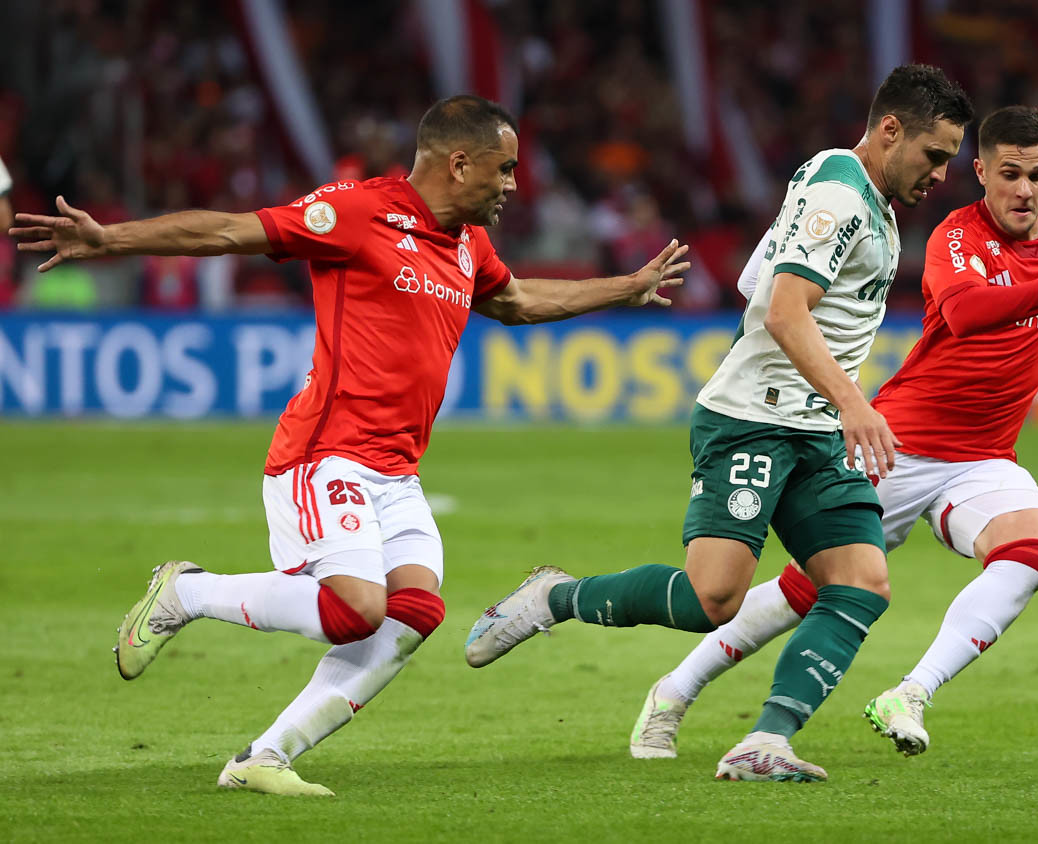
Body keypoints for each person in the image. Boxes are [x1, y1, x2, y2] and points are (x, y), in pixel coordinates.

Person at [8, 95, 688, 796]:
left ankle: (263, 759)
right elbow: (230, 232)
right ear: (459, 163)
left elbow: (516, 303)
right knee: (354, 611)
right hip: (325, 451)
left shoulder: (467, 243)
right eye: (504, 168)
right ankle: (187, 593)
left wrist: (625, 288)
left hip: (397, 471)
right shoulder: (358, 213)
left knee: (416, 612)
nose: (514, 184)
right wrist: (112, 240)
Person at [626, 106, 1038, 762]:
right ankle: (674, 691)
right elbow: (967, 314)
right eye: (1010, 174)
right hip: (897, 445)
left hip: (983, 459)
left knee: (1032, 551)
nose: (1025, 189)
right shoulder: (956, 237)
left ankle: (911, 692)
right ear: (981, 173)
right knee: (809, 589)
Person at [462, 65, 973, 783]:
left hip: (816, 429)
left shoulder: (860, 196)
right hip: (752, 421)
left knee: (861, 582)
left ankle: (765, 740)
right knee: (713, 601)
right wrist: (857, 402)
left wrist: (836, 403)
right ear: (890, 129)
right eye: (936, 155)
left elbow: (754, 279)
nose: (943, 174)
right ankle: (555, 596)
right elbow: (781, 309)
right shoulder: (838, 194)